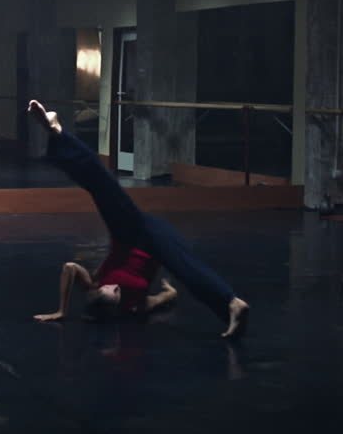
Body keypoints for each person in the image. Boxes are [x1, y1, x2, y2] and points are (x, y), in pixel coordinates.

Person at [27, 99, 250, 339]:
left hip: (130, 233)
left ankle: (57, 131)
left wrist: (61, 310)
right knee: (187, 268)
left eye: (104, 288)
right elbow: (163, 299)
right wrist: (167, 292)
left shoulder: (96, 284)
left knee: (103, 188)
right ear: (116, 306)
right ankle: (230, 302)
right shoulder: (134, 306)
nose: (111, 286)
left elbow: (70, 269)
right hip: (152, 239)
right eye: (112, 292)